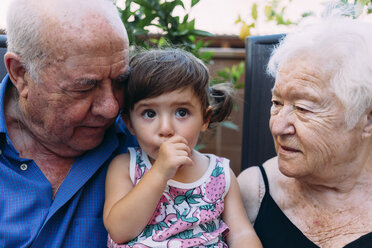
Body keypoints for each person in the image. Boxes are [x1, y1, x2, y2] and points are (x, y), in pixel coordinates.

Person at [1, 0, 137, 247]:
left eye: (120, 81)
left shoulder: (142, 137)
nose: (111, 108)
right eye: (85, 86)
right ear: (20, 73)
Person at [103, 48, 262, 247]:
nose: (166, 129)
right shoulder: (126, 167)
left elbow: (241, 234)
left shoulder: (220, 174)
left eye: (181, 112)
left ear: (205, 119)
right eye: (150, 114)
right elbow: (119, 231)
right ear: (129, 123)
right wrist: (160, 172)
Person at [237, 14, 372, 248]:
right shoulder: (252, 193)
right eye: (276, 103)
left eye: (303, 108)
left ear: (367, 120)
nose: (278, 127)